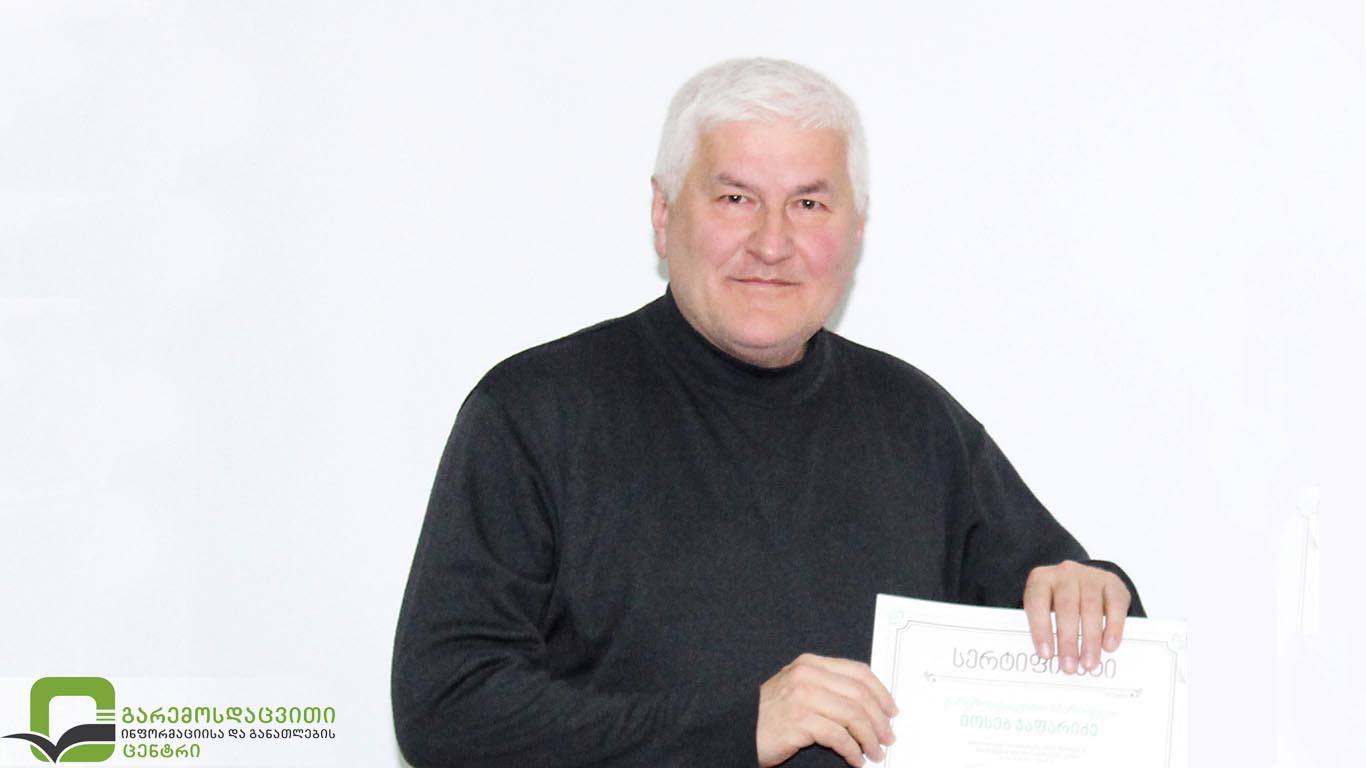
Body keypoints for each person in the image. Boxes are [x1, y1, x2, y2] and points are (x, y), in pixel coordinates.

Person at [391, 57, 1145, 768]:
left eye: (809, 204)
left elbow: (1089, 641)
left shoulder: (917, 422)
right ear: (663, 212)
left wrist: (1093, 594)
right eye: (736, 199)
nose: (772, 244)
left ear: (855, 232)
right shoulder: (535, 412)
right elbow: (446, 706)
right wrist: (739, 728)